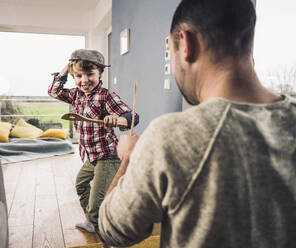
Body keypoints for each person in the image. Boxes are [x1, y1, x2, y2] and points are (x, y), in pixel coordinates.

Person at [97, 0, 296, 247]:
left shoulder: (169, 136)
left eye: (170, 50)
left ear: (186, 44)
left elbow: (112, 231)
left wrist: (127, 158)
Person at [48, 49, 139, 234]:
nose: (84, 80)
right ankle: (95, 217)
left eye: (90, 74)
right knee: (81, 185)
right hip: (91, 156)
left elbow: (132, 117)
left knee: (98, 197)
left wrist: (118, 119)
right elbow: (54, 91)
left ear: (100, 74)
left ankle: (99, 226)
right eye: (79, 76)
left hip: (108, 156)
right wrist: (68, 68)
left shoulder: (106, 96)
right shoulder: (75, 95)